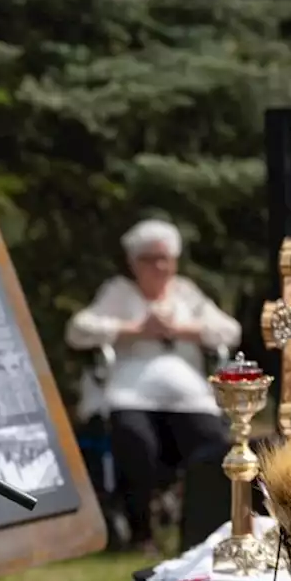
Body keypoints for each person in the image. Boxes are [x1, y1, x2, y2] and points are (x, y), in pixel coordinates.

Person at [65, 218, 239, 556]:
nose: (159, 267)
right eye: (150, 259)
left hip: (188, 396)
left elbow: (229, 330)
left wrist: (183, 329)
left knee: (212, 442)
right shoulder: (119, 292)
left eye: (165, 259)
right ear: (133, 263)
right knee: (134, 441)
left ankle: (204, 531)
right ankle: (141, 531)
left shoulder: (186, 293)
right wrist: (134, 329)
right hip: (131, 394)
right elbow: (79, 329)